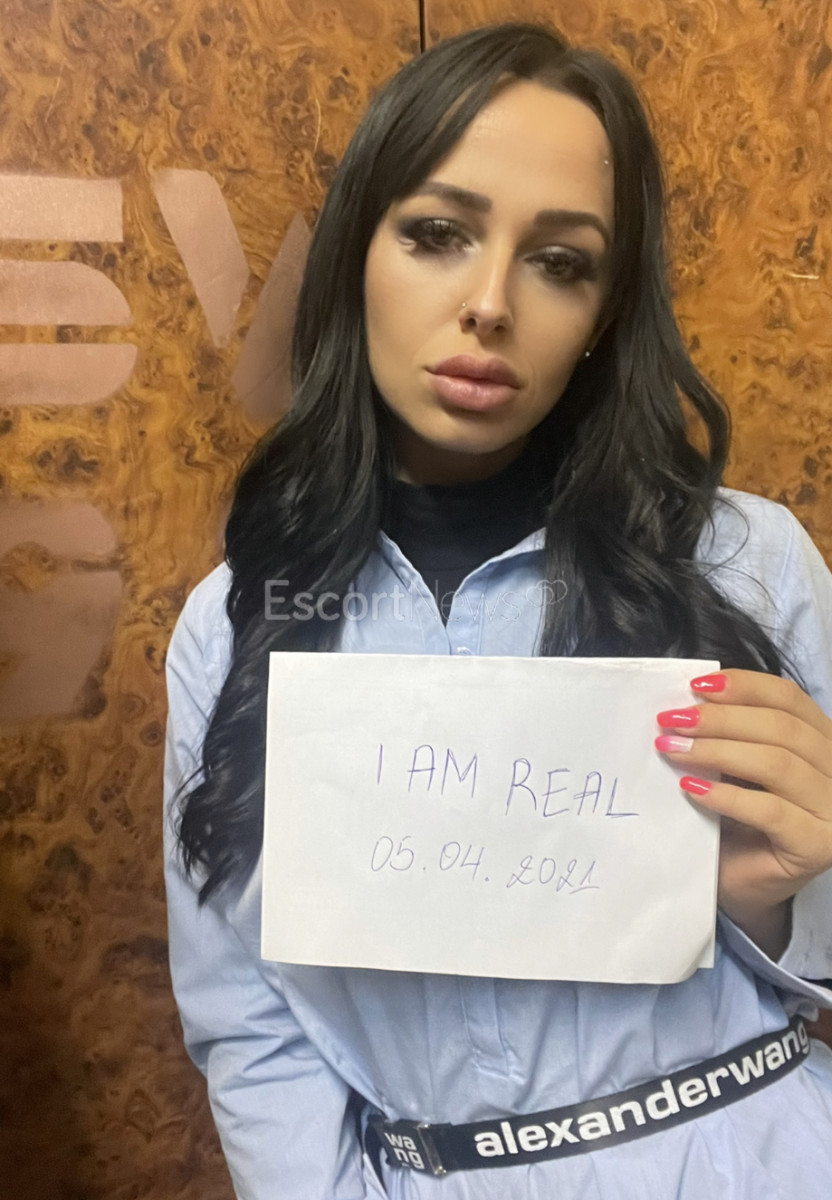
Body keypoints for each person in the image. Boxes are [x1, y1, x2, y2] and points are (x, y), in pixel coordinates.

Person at [163, 21, 832, 1198]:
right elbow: (246, 1026)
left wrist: (774, 905)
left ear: (604, 311)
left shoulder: (748, 561)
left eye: (560, 261)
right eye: (436, 234)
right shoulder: (234, 624)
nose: (488, 303)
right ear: (354, 254)